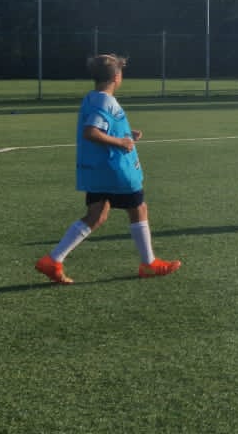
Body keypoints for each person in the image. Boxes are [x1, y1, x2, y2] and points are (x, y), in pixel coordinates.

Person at [35, 53, 181, 284]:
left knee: (97, 214)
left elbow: (102, 127)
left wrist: (125, 134)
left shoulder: (92, 97)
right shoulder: (105, 101)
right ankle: (149, 263)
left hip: (97, 169)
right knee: (138, 208)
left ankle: (53, 260)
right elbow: (91, 131)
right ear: (116, 77)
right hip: (115, 170)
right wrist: (121, 142)